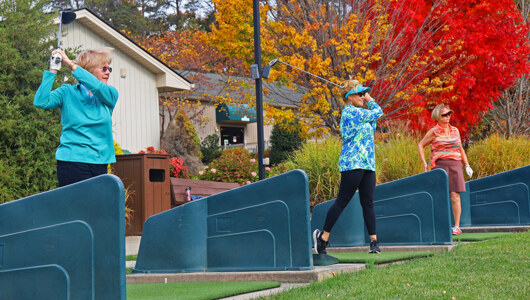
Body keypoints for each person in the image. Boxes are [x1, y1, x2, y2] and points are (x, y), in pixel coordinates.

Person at [313, 79, 384, 255]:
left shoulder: (362, 113)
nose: (363, 96)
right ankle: (323, 238)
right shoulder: (350, 112)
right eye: (359, 93)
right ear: (349, 97)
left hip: (368, 164)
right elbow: (378, 111)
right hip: (352, 164)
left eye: (363, 93)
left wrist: (367, 101)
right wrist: (370, 99)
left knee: (368, 203)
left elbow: (374, 120)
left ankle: (374, 242)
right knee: (342, 201)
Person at [34, 48, 118, 187]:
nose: (108, 72)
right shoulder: (66, 92)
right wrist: (53, 69)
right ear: (89, 70)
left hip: (100, 163)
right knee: (75, 207)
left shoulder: (109, 94)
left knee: (95, 207)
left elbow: (96, 87)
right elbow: (41, 101)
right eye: (104, 68)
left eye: (109, 68)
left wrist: (70, 63)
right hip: (71, 161)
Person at [417, 104, 473, 235]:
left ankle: (457, 226)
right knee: (439, 196)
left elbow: (460, 148)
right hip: (440, 165)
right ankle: (439, 225)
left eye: (449, 114)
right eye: (444, 115)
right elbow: (420, 145)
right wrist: (425, 163)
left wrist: (467, 165)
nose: (448, 117)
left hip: (455, 164)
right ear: (438, 116)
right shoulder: (434, 131)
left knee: (455, 195)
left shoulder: (455, 130)